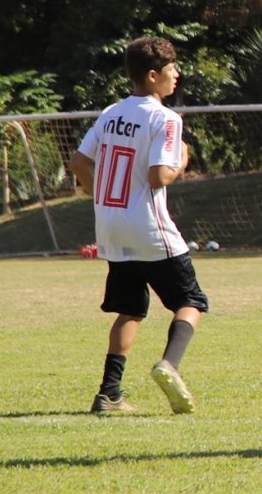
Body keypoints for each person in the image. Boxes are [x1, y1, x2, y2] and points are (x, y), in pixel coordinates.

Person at [69, 36, 206, 416]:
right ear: (152, 75)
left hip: (111, 227)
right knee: (191, 301)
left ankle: (108, 394)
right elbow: (160, 175)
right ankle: (169, 364)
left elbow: (79, 162)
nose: (176, 74)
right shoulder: (165, 118)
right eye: (171, 67)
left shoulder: (112, 112)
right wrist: (181, 159)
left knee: (130, 309)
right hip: (148, 225)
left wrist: (103, 195)